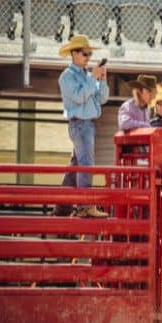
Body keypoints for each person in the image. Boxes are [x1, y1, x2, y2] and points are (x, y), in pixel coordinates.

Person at [57, 34, 109, 218]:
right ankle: (84, 205)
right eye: (84, 53)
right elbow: (79, 97)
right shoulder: (66, 77)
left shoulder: (88, 75)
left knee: (77, 166)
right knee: (86, 164)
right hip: (79, 124)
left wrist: (101, 79)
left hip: (86, 125)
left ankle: (62, 208)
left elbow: (102, 98)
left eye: (88, 53)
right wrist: (93, 78)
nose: (88, 56)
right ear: (74, 54)